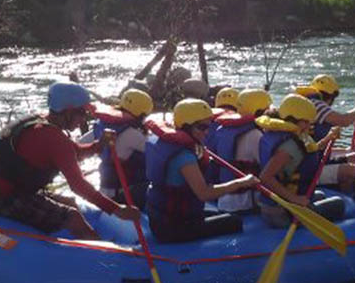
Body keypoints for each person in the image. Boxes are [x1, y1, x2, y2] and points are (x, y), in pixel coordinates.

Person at [0, 82, 140, 239]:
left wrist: (100, 145)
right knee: (74, 218)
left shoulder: (43, 122)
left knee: (70, 202)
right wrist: (117, 210)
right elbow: (78, 186)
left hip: (10, 192)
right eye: (81, 113)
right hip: (4, 199)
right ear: (68, 111)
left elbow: (74, 153)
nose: (83, 119)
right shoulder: (53, 137)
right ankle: (103, 258)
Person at [145, 98, 258, 243]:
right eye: (201, 127)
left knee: (218, 213)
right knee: (234, 221)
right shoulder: (184, 157)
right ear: (186, 126)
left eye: (208, 127)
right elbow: (204, 193)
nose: (206, 132)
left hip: (164, 217)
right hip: (172, 227)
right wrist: (241, 182)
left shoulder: (167, 142)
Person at [257, 94, 346, 228]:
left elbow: (309, 149)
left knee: (320, 195)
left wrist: (329, 138)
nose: (310, 125)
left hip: (281, 204)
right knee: (339, 204)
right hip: (282, 211)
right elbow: (265, 177)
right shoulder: (289, 147)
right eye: (306, 121)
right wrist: (294, 199)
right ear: (293, 119)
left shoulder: (282, 135)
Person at [208, 88, 271, 214]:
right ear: (260, 112)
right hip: (244, 203)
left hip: (224, 200)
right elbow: (269, 170)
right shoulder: (255, 135)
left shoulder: (222, 129)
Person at [298, 74, 355, 192]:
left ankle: (344, 194)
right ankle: (346, 201)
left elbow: (315, 146)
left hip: (313, 157)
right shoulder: (316, 105)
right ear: (331, 97)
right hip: (307, 168)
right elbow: (344, 120)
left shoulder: (305, 102)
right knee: (352, 171)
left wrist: (346, 151)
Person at [93, 89, 153, 209]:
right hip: (123, 194)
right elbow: (157, 152)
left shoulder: (103, 124)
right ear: (141, 116)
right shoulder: (132, 134)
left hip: (105, 188)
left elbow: (81, 142)